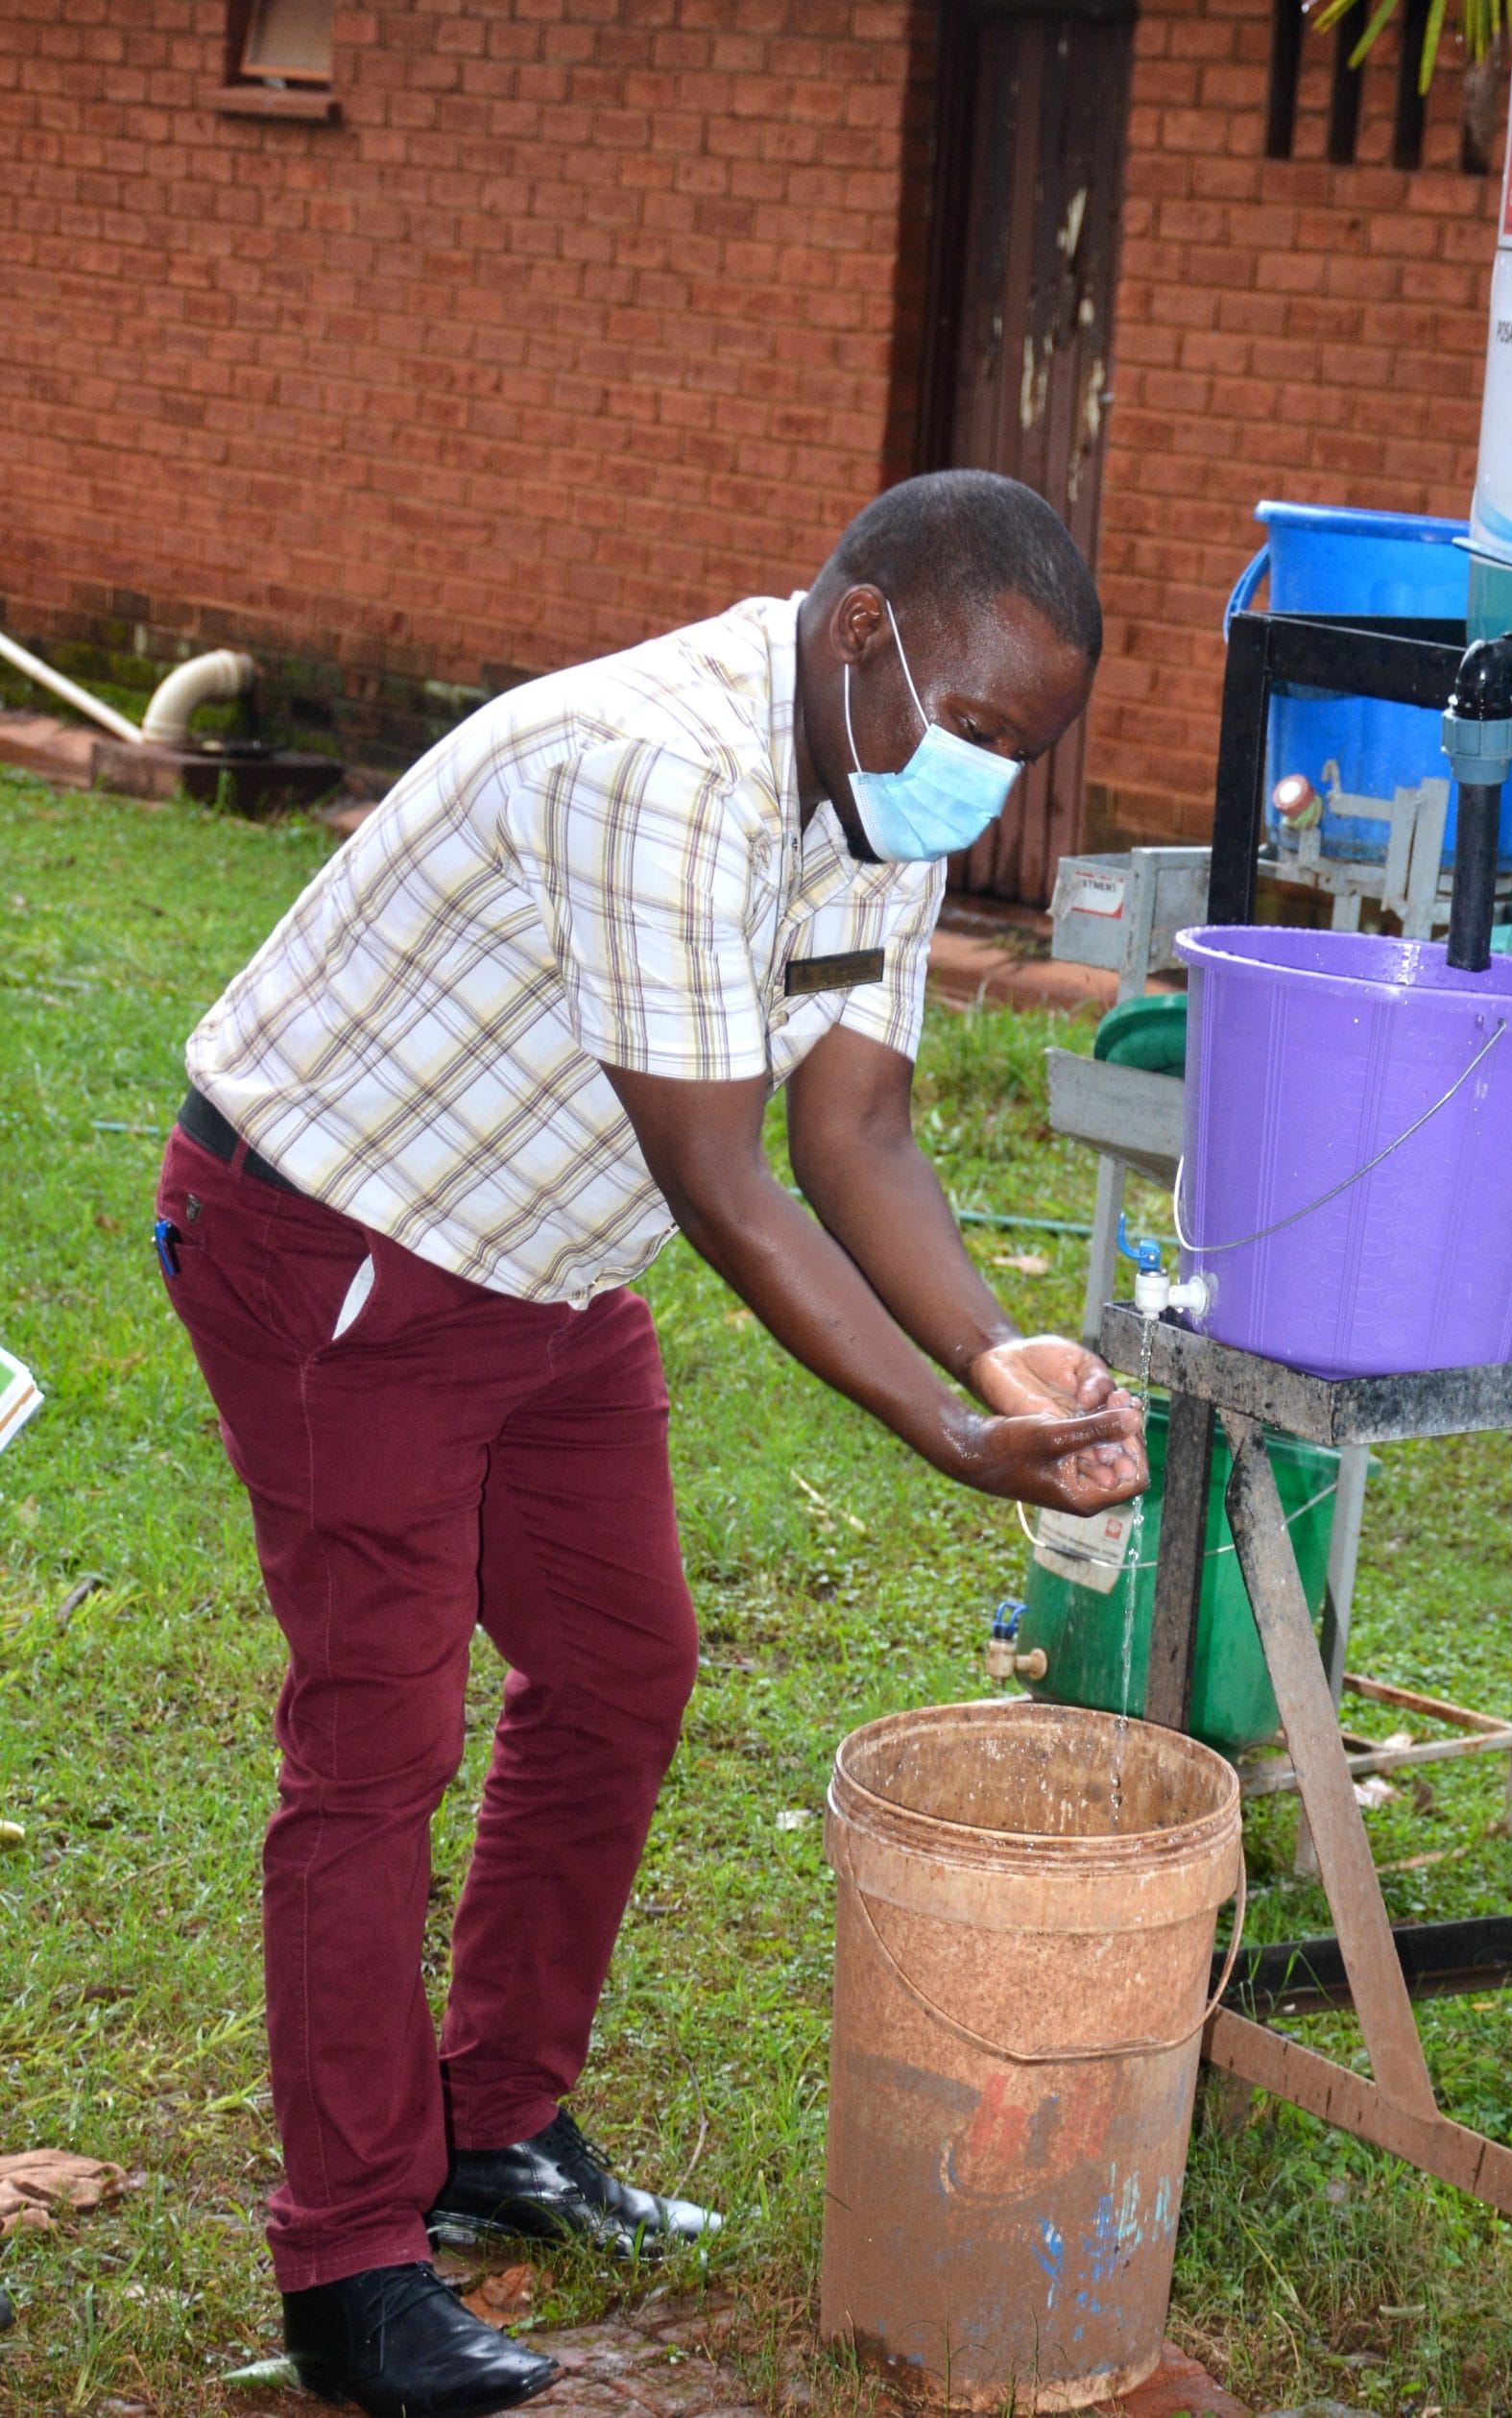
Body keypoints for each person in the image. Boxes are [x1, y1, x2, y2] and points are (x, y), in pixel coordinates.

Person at [154, 470, 1149, 2418]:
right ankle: (353, 2260)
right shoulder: (656, 763)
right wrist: (945, 1432)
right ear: (864, 625)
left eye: (1026, 750)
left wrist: (993, 1349)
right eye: (986, 731)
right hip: (337, 1234)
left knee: (619, 1665)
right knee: (376, 1734)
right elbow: (724, 1182)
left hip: (535, 1257)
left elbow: (850, 1131)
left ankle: (492, 2127)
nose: (992, 781)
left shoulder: (875, 779)